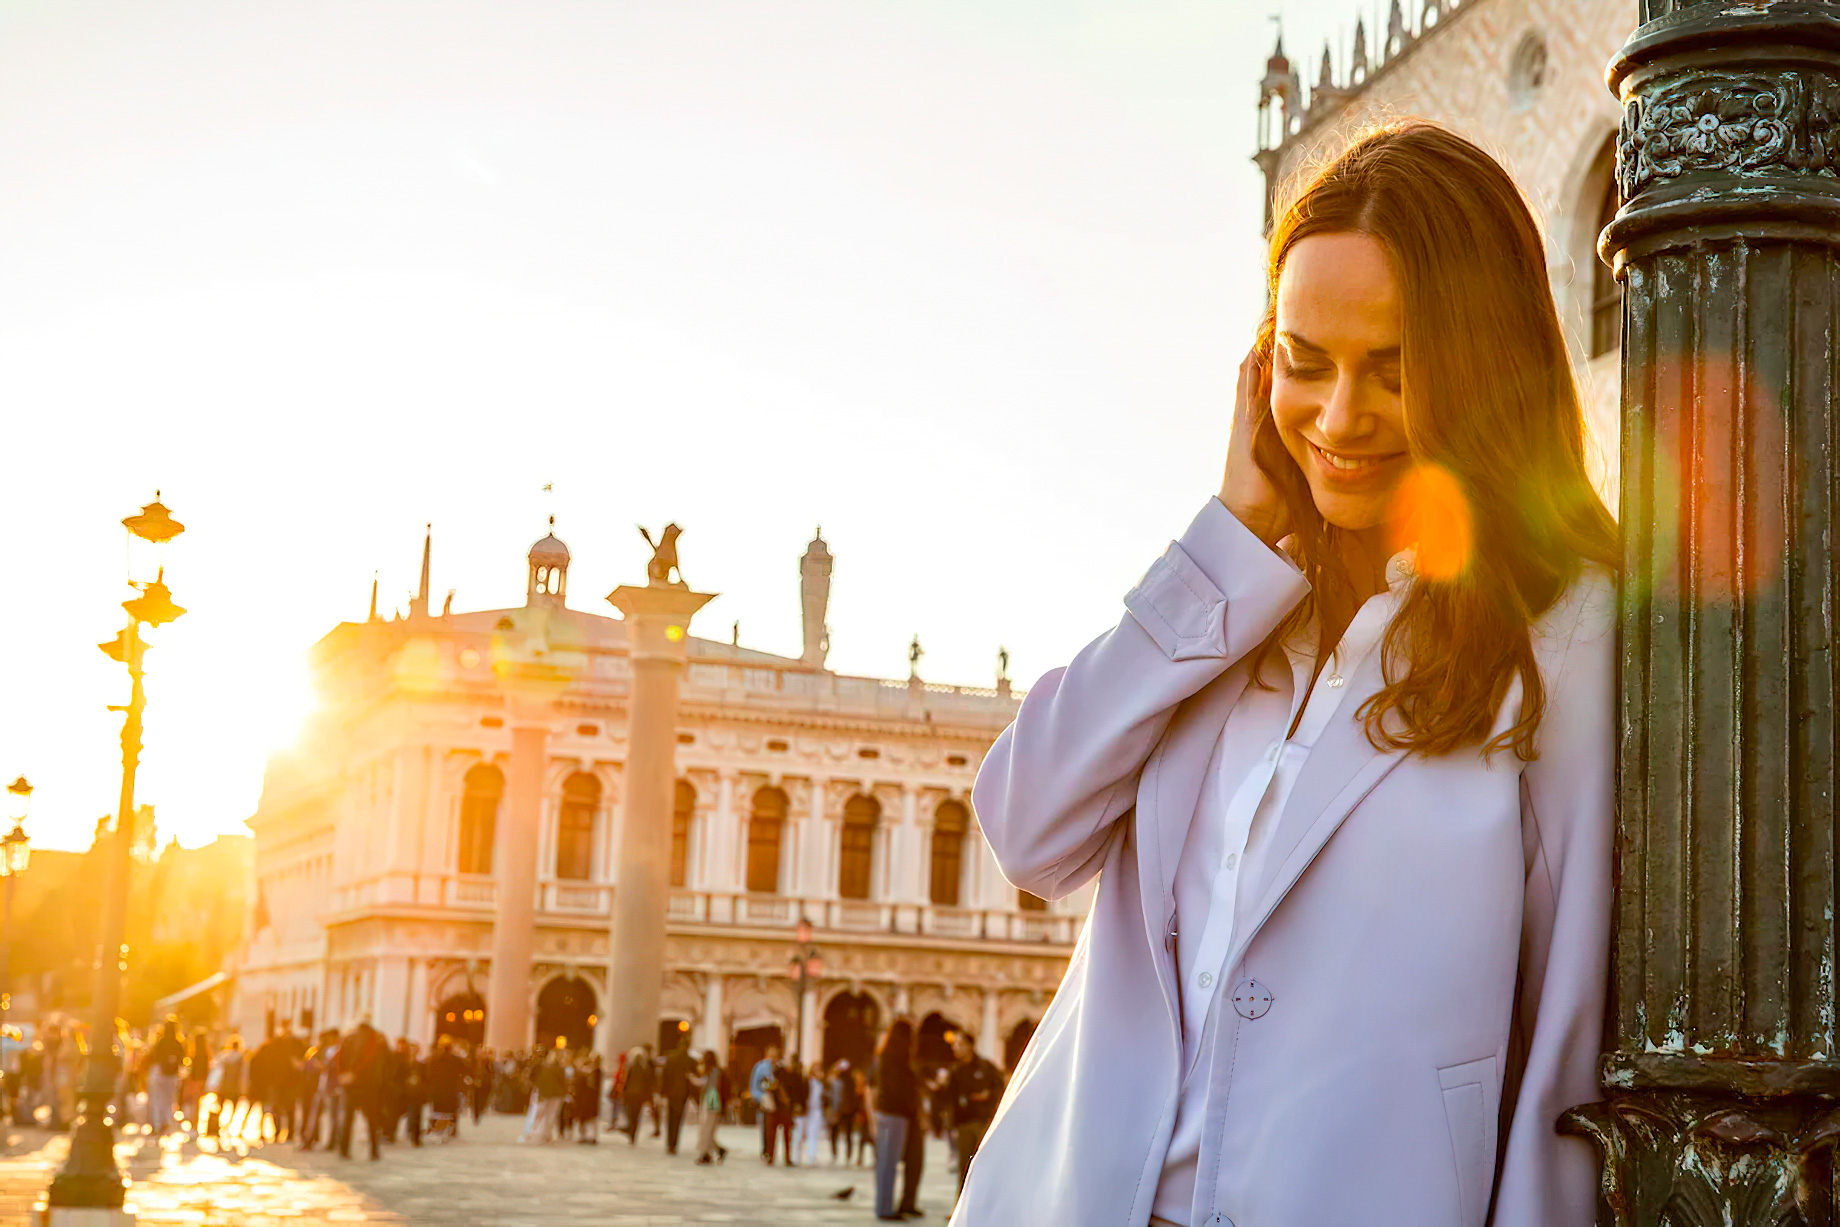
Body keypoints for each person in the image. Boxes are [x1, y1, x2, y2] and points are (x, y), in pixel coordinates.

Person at [953, 122, 1618, 1227]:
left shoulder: (1565, 638)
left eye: (1392, 374)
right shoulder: (1228, 602)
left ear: (1482, 372)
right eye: (1304, 365)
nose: (1338, 419)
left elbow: (1562, 1056)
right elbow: (1029, 829)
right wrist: (1224, 544)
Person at [869, 1020, 919, 1221]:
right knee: (888, 1162)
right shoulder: (896, 1059)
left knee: (886, 1162)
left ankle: (885, 1205)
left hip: (888, 1114)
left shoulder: (885, 1056)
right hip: (896, 1115)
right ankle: (884, 1208)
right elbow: (900, 1089)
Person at [944, 1033, 1002, 1202]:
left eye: (960, 1044)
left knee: (985, 1165)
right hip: (964, 1125)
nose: (956, 1047)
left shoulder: (986, 1067)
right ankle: (961, 1206)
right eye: (955, 1044)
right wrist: (951, 1126)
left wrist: (988, 1096)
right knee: (964, 1168)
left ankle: (984, 1204)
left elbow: (1000, 1087)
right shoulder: (956, 1071)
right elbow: (950, 1100)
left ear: (970, 1045)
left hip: (984, 1123)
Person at [332, 1018, 388, 1160]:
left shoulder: (349, 1038)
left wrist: (343, 1075)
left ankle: (344, 1149)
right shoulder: (375, 1039)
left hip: (351, 1084)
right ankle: (374, 1151)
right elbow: (378, 1063)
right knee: (372, 1120)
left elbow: (338, 1058)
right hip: (369, 1085)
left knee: (348, 1118)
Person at [145, 1018, 186, 1138]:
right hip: (172, 1075)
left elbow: (153, 1056)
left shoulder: (161, 1042)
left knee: (156, 1099)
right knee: (168, 1100)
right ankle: (165, 1123)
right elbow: (182, 1059)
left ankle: (156, 1124)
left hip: (159, 1073)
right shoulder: (178, 1044)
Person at [689, 1049, 729, 1165]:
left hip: (711, 1103)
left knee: (706, 1129)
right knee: (707, 1130)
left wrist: (691, 1078)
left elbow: (706, 1084)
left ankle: (705, 1154)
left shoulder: (713, 1072)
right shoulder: (715, 1071)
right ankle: (718, 1150)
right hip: (712, 1103)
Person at [425, 1036, 464, 1142]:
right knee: (449, 1112)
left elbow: (428, 1075)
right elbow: (461, 1074)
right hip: (451, 1090)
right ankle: (449, 1131)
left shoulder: (433, 1058)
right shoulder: (456, 1060)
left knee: (437, 1111)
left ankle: (436, 1130)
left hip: (437, 1090)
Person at [659, 1041, 694, 1154]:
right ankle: (674, 1144)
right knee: (678, 1119)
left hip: (672, 1093)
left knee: (671, 1118)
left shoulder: (671, 1058)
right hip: (682, 1094)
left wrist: (663, 1092)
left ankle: (670, 1144)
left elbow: (665, 1076)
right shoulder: (690, 1060)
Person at [748, 1045, 780, 1163]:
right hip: (765, 1099)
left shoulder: (778, 1067)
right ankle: (766, 1151)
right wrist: (758, 1096)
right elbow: (756, 1083)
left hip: (776, 1100)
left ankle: (769, 1151)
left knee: (769, 1128)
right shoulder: (761, 1066)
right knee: (767, 1127)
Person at [621, 1044, 656, 1144]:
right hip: (639, 1096)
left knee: (630, 1114)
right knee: (636, 1115)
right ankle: (633, 1133)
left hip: (631, 1095)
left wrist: (624, 1094)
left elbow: (627, 1082)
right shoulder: (646, 1070)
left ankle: (630, 1130)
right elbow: (648, 1085)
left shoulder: (632, 1068)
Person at [798, 1058, 826, 1166]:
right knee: (801, 1133)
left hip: (817, 1110)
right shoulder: (808, 1081)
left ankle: (811, 1155)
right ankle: (797, 1155)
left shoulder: (821, 1083)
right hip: (807, 1109)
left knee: (813, 1133)